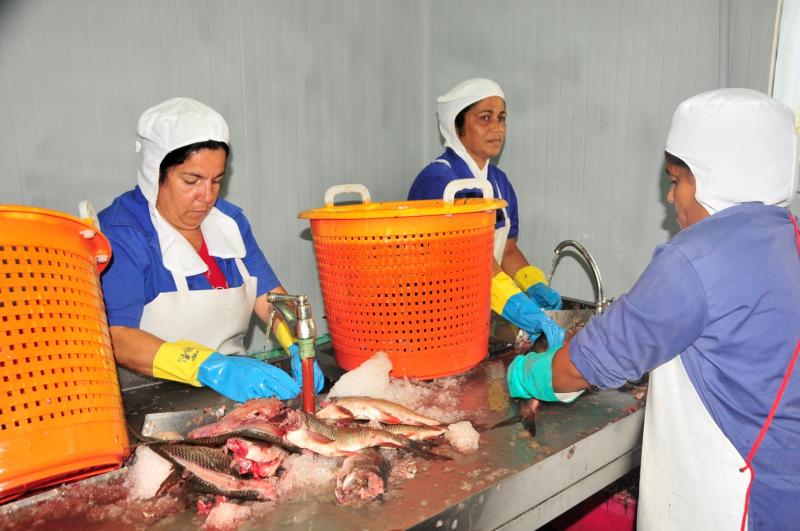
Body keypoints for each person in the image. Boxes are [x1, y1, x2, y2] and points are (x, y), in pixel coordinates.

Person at [507, 89, 800, 530]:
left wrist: (526, 373)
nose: (671, 198)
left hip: (734, 499)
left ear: (711, 177)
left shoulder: (696, 257)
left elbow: (583, 367)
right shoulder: (787, 237)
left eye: (676, 181)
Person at [99, 97, 324, 403]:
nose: (206, 197)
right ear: (155, 174)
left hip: (228, 395)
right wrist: (210, 367)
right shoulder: (121, 234)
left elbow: (269, 298)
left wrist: (300, 345)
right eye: (191, 180)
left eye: (217, 181)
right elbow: (117, 337)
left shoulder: (230, 222)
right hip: (145, 396)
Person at [408, 78, 564, 348]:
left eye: (502, 118)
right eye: (485, 118)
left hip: (471, 318)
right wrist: (517, 305)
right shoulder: (439, 181)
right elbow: (471, 259)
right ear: (457, 128)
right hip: (430, 320)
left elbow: (509, 251)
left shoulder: (499, 182)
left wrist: (534, 284)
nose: (497, 128)